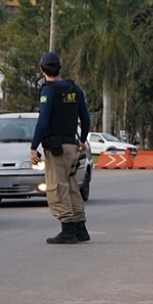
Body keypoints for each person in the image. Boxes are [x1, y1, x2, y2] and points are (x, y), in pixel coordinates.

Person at [30, 51, 91, 244]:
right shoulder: (75, 89)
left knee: (57, 188)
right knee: (72, 186)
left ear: (42, 70)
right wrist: (82, 140)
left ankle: (68, 229)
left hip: (56, 148)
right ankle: (80, 227)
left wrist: (34, 147)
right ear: (60, 68)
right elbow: (86, 118)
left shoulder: (48, 91)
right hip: (72, 147)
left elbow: (43, 121)